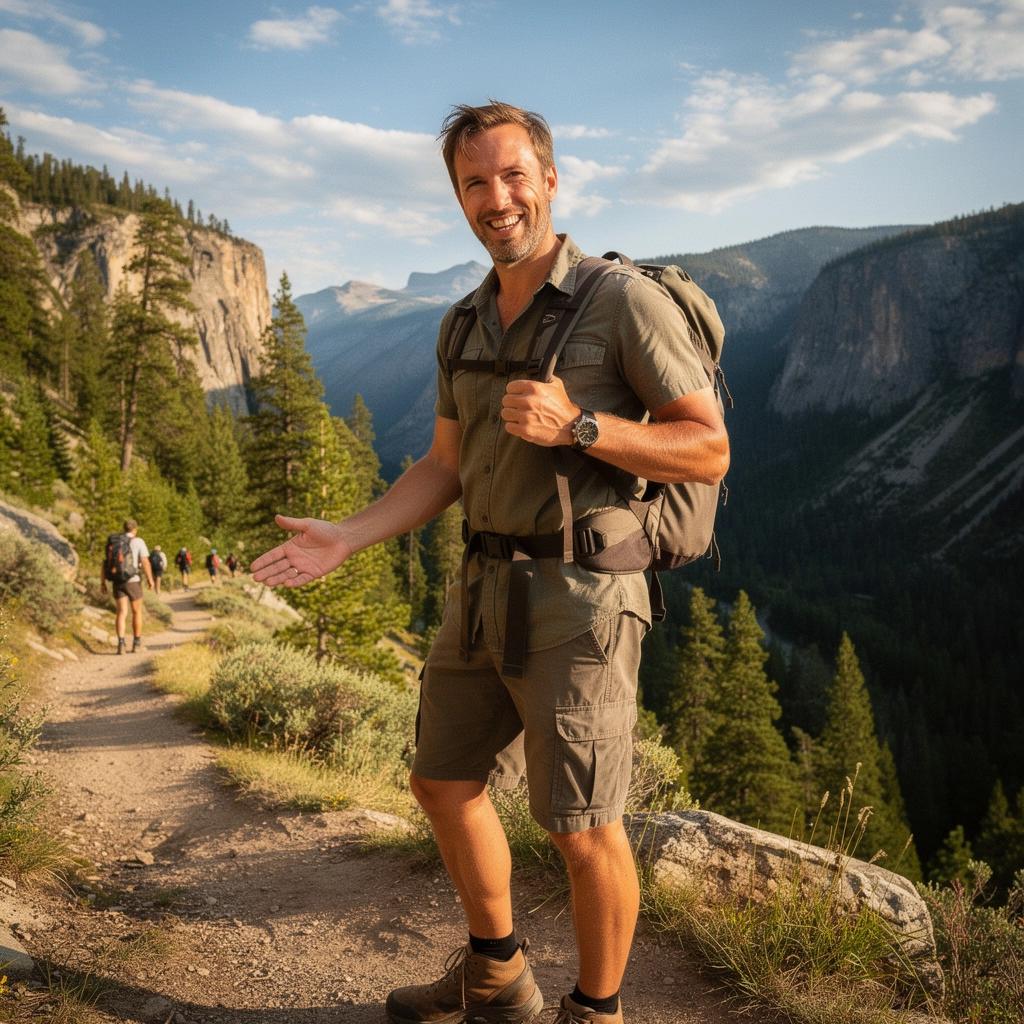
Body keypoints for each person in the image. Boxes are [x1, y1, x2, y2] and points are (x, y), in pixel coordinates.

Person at [251, 101, 728, 1024]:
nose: (497, 198)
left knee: (582, 828)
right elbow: (442, 467)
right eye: (476, 182)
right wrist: (349, 535)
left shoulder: (620, 303)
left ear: (550, 179)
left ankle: (599, 1012)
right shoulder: (462, 323)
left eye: (514, 176)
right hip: (481, 587)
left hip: (584, 595)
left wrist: (581, 426)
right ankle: (497, 974)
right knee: (441, 780)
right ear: (459, 198)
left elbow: (706, 448)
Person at [100, 518, 155, 655]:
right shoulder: (138, 541)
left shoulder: (114, 541)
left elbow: (104, 563)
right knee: (136, 612)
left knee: (121, 612)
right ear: (135, 529)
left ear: (124, 528)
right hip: (133, 580)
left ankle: (121, 644)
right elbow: (145, 562)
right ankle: (136, 644)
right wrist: (150, 579)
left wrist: (102, 583)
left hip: (117, 581)